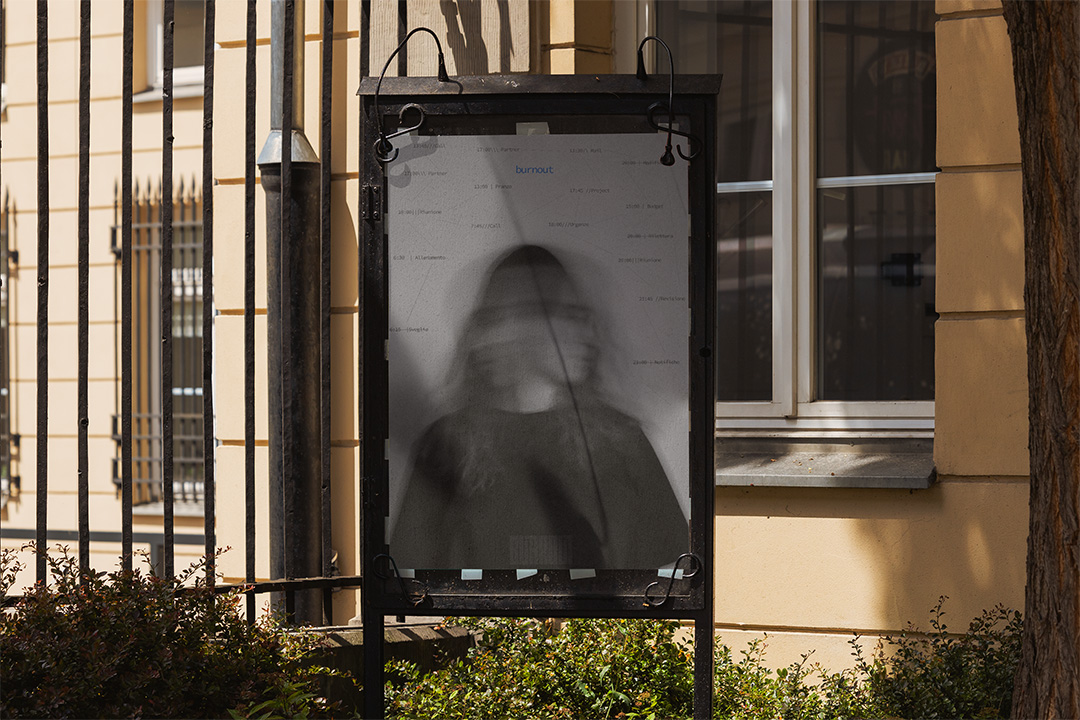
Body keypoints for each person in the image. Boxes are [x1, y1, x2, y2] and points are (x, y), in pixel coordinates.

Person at [391, 245, 687, 570]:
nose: (588, 334)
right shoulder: (444, 445)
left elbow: (671, 571)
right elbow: (411, 575)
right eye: (567, 315)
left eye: (582, 317)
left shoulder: (624, 441)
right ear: (519, 323)